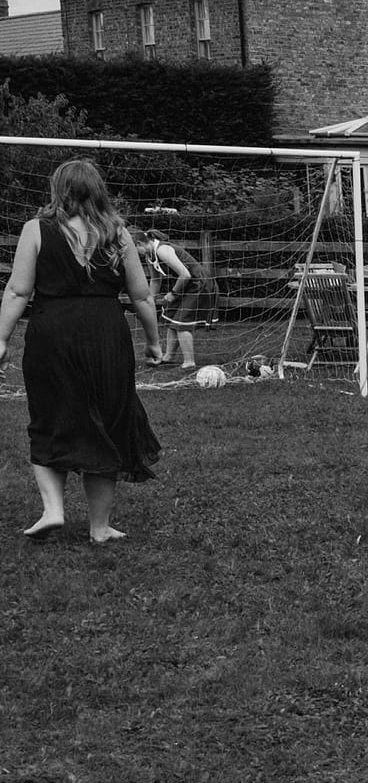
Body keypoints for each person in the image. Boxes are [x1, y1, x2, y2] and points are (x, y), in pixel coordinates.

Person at [0, 159, 164, 543]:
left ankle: (53, 509)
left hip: (52, 333)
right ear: (97, 190)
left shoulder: (36, 230)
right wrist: (154, 342)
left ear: (58, 190)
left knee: (50, 415)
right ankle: (99, 526)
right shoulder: (118, 233)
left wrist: (2, 338)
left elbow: (18, 291)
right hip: (106, 333)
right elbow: (140, 296)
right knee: (107, 420)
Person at [137, 229, 218, 368]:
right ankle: (168, 357)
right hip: (186, 285)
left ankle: (189, 362)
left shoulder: (162, 249)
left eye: (133, 250)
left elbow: (185, 274)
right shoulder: (149, 256)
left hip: (199, 283)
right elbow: (156, 280)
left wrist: (173, 293)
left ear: (139, 243)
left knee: (182, 322)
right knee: (171, 316)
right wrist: (149, 301)